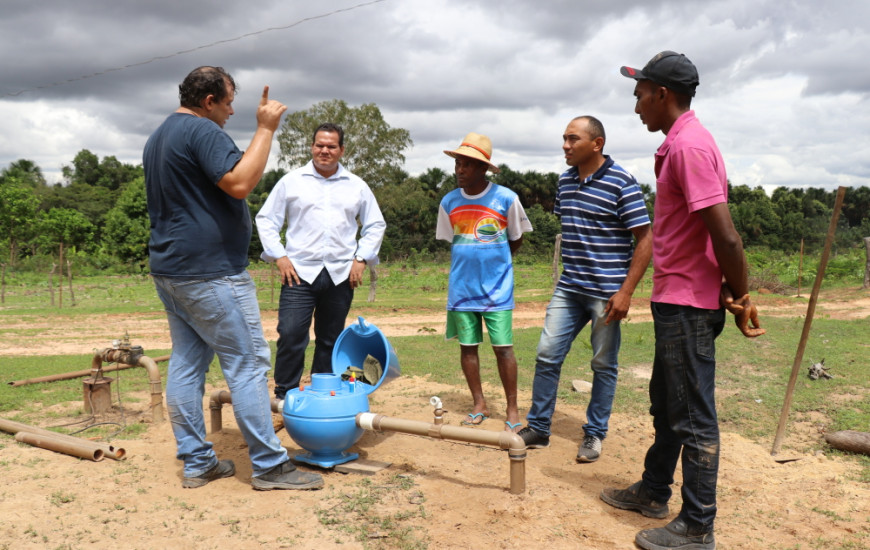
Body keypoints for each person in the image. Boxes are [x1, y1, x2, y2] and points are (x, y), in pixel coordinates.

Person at [600, 51, 765, 550]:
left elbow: (727, 238)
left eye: (640, 96)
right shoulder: (683, 143)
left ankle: (697, 527)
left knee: (692, 414)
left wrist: (741, 296)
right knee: (666, 403)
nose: (636, 107)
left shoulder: (690, 148)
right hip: (679, 298)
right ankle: (653, 491)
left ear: (662, 94)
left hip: (690, 305)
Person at [144, 66, 323, 490]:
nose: (231, 110)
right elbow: (241, 182)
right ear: (208, 102)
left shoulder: (159, 136)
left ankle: (197, 462)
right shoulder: (202, 132)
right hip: (212, 275)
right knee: (246, 365)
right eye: (227, 102)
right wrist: (265, 129)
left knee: (187, 364)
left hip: (171, 271)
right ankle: (270, 465)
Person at [518, 116, 652, 462]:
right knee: (547, 354)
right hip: (569, 287)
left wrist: (626, 292)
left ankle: (594, 435)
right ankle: (539, 428)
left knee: (603, 364)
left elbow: (646, 239)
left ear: (597, 144)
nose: (565, 145)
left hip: (606, 293)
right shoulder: (565, 182)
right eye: (564, 138)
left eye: (572, 139)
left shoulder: (622, 182)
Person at [256, 123, 386, 400]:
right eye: (319, 145)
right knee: (291, 335)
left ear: (342, 150)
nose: (324, 150)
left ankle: (321, 395)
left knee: (330, 339)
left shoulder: (356, 186)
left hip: (341, 274)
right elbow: (266, 220)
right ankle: (285, 397)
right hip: (298, 273)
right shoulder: (291, 181)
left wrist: (361, 258)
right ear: (312, 146)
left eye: (331, 146)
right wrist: (279, 256)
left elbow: (375, 225)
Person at [436, 132, 533, 432]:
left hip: (497, 291)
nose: (460, 170)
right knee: (468, 348)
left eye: (466, 164)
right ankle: (479, 403)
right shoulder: (449, 202)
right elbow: (453, 242)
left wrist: (496, 265)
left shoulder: (506, 199)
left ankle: (512, 409)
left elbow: (515, 240)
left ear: (482, 168)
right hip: (462, 291)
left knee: (503, 349)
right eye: (458, 164)